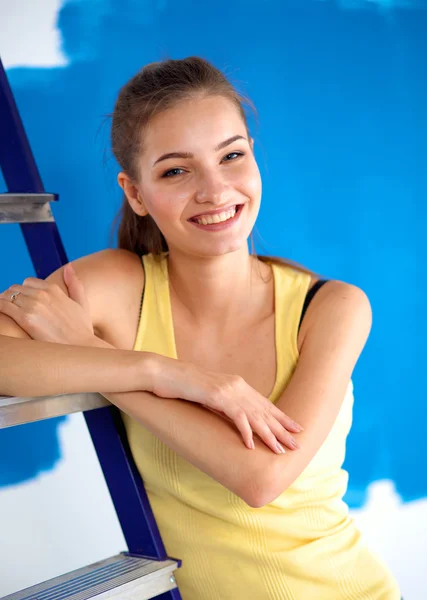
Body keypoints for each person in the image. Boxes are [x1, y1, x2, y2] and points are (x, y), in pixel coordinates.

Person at [0, 56, 401, 599]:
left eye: (231, 156)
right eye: (175, 170)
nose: (215, 191)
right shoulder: (121, 288)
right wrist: (160, 371)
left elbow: (261, 480)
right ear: (135, 193)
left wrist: (102, 365)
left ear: (253, 158)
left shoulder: (330, 307)